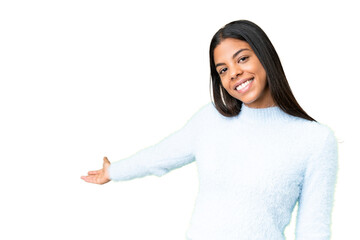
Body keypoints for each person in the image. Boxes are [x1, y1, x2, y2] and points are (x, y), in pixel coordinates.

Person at [81, 20, 338, 240]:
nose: (234, 73)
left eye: (243, 58)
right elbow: (160, 156)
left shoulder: (315, 140)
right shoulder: (210, 120)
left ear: (265, 57)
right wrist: (113, 171)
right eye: (223, 70)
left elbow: (313, 229)